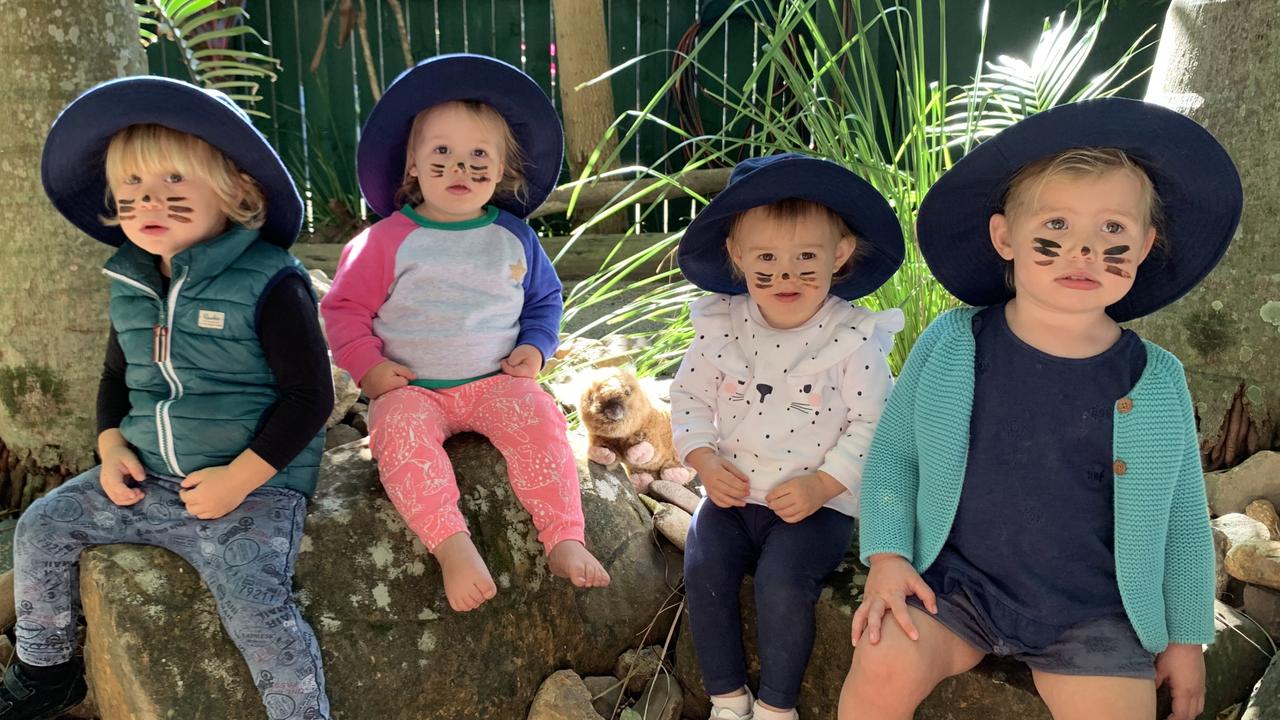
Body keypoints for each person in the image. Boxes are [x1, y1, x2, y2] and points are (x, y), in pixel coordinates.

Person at [840, 98, 1240, 720]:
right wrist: (888, 557)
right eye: (1056, 227)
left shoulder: (1157, 380)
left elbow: (1182, 518)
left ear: (1146, 244)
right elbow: (896, 456)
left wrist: (1187, 638)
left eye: (1112, 230)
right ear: (1006, 237)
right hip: (955, 589)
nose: (1084, 250)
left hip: (1093, 616)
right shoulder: (952, 345)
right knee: (880, 663)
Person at [3, 76, 334, 720]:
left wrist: (240, 479)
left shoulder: (270, 281)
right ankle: (48, 669)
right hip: (147, 480)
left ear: (236, 192)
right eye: (132, 188)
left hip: (251, 490)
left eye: (175, 184)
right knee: (42, 525)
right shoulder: (129, 279)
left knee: (255, 609)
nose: (150, 200)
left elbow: (309, 397)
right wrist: (109, 444)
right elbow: (114, 379)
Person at [321, 54, 610, 614]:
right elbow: (344, 310)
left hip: (495, 383)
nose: (461, 167)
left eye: (479, 154)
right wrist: (370, 370)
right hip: (413, 390)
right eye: (442, 153)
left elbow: (545, 300)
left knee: (543, 421)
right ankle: (452, 546)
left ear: (504, 168)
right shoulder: (385, 240)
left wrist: (535, 347)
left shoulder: (513, 236)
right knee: (398, 437)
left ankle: (564, 537)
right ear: (412, 165)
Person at [671, 153, 906, 720]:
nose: (786, 277)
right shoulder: (723, 327)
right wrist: (703, 460)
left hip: (814, 506)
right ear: (736, 255)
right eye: (767, 261)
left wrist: (825, 485)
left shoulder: (851, 339)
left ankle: (778, 706)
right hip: (732, 495)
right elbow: (689, 399)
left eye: (807, 259)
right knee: (704, 565)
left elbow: (875, 422)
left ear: (841, 254)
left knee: (782, 580)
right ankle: (727, 697)